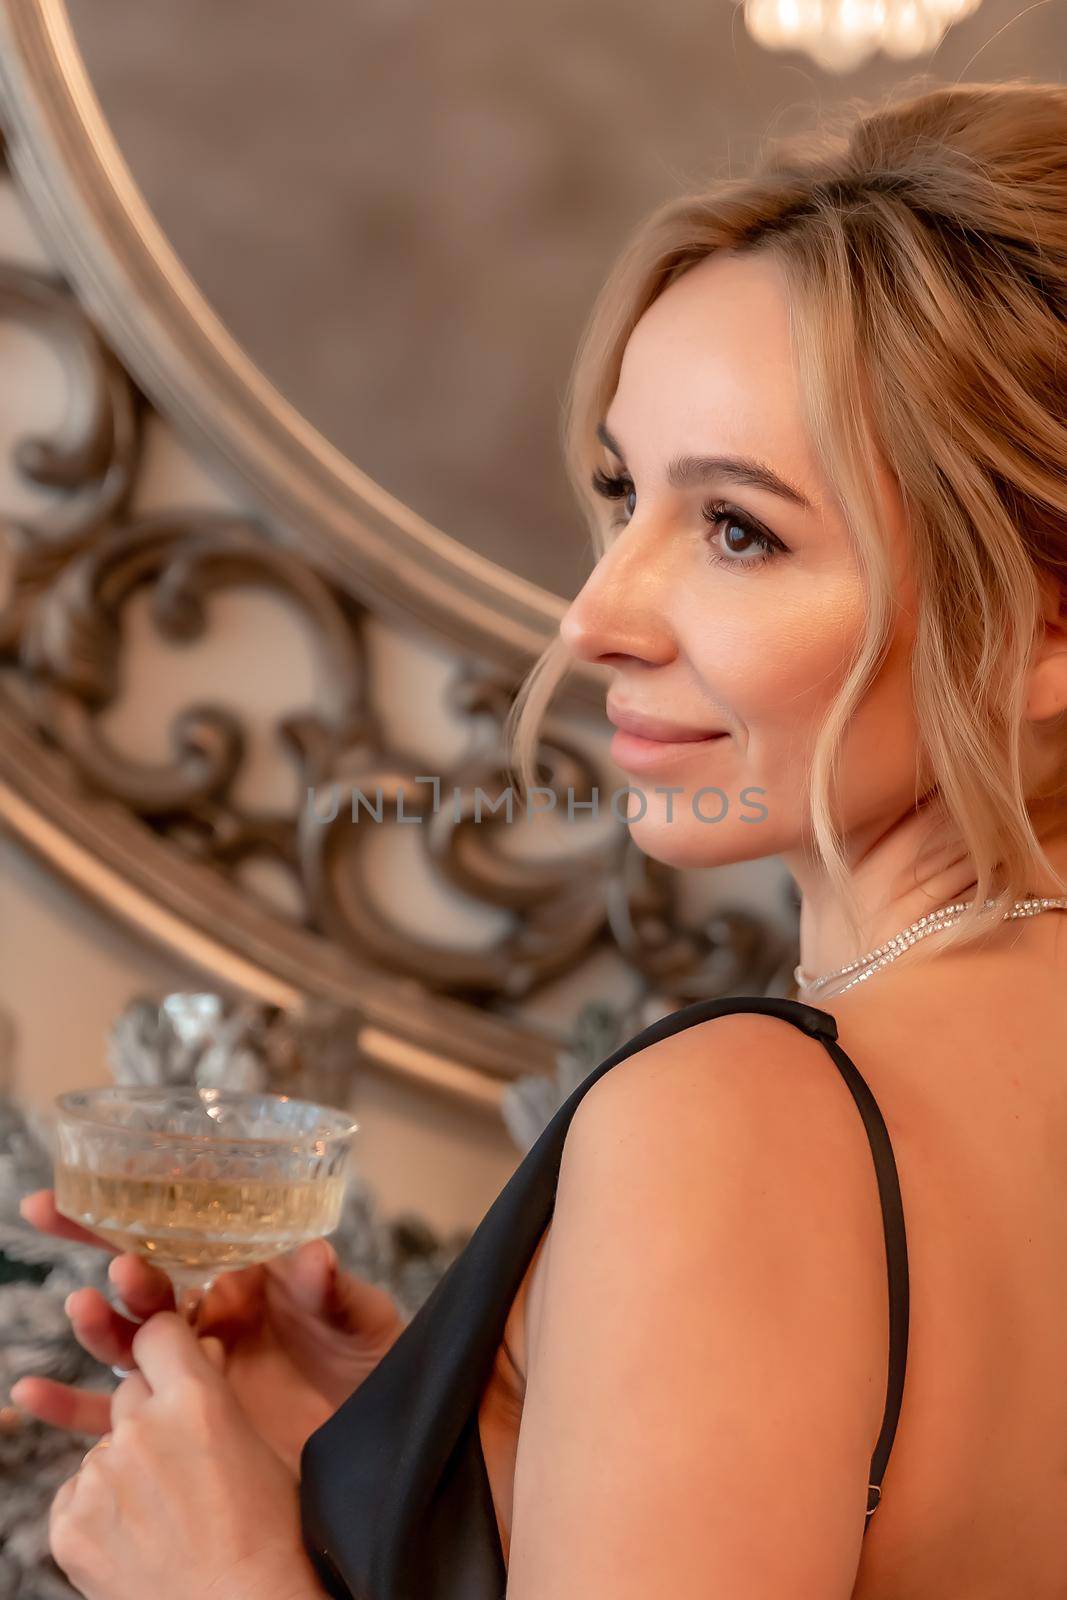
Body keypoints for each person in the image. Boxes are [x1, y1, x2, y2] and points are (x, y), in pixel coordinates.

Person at [11, 72, 1067, 1599]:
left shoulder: (741, 1118)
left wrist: (222, 1582)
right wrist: (465, 1447)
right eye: (623, 492)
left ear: (1042, 628)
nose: (595, 616)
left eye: (738, 530)